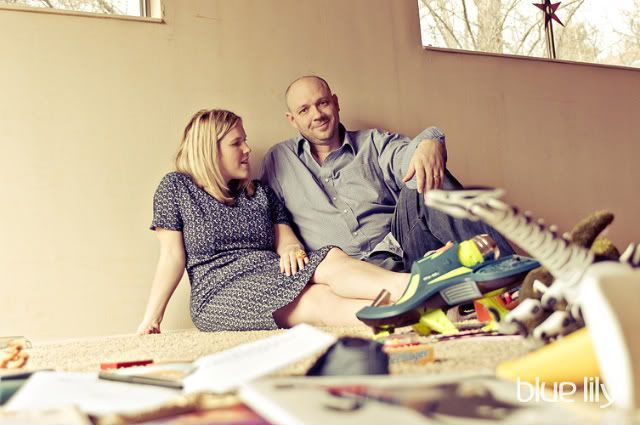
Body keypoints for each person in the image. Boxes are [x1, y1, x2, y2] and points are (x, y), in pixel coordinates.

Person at [137, 109, 411, 334]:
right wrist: (152, 318)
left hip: (269, 271)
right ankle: (404, 312)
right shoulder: (176, 187)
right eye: (236, 143)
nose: (247, 149)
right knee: (316, 299)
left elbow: (286, 239)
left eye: (245, 140)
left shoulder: (259, 192)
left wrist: (291, 249)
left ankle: (409, 292)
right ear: (209, 150)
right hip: (218, 291)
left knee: (330, 258)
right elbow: (171, 256)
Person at [261, 75, 514, 272]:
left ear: (336, 103)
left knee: (425, 174)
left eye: (323, 103)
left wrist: (430, 140)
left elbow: (408, 160)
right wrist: (289, 245)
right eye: (304, 110)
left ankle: (511, 272)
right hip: (346, 272)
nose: (317, 115)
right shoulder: (280, 160)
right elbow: (269, 213)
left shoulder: (373, 143)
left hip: (404, 250)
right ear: (292, 119)